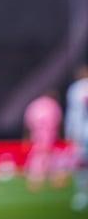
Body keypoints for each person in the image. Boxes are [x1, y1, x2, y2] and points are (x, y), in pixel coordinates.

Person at [23, 90, 63, 191]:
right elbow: (58, 121)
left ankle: (35, 180)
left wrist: (27, 136)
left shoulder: (35, 104)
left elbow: (28, 121)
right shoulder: (53, 104)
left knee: (38, 156)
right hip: (49, 134)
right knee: (50, 156)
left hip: (36, 134)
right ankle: (54, 180)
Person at [65, 64, 88, 211]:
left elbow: (72, 113)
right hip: (83, 132)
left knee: (82, 166)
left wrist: (69, 133)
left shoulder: (75, 89)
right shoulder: (76, 89)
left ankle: (82, 195)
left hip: (81, 133)